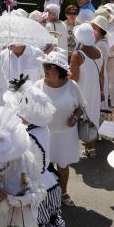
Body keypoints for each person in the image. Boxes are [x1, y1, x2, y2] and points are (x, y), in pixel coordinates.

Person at [3, 75, 74, 227]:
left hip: (38, 188)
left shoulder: (28, 135)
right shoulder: (43, 129)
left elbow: (23, 167)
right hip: (52, 184)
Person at [36, 52, 85, 208]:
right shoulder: (37, 86)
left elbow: (82, 107)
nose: (46, 69)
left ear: (60, 70)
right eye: (45, 65)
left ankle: (63, 192)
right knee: (42, 166)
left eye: (51, 66)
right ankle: (45, 194)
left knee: (63, 166)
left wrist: (75, 117)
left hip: (66, 134)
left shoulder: (72, 86)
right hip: (43, 133)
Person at [70, 23, 104, 157]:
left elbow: (74, 78)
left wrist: (64, 72)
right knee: (92, 118)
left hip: (81, 92)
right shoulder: (99, 52)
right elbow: (101, 75)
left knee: (77, 119)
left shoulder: (77, 54)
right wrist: (101, 92)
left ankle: (74, 150)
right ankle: (91, 148)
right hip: (95, 91)